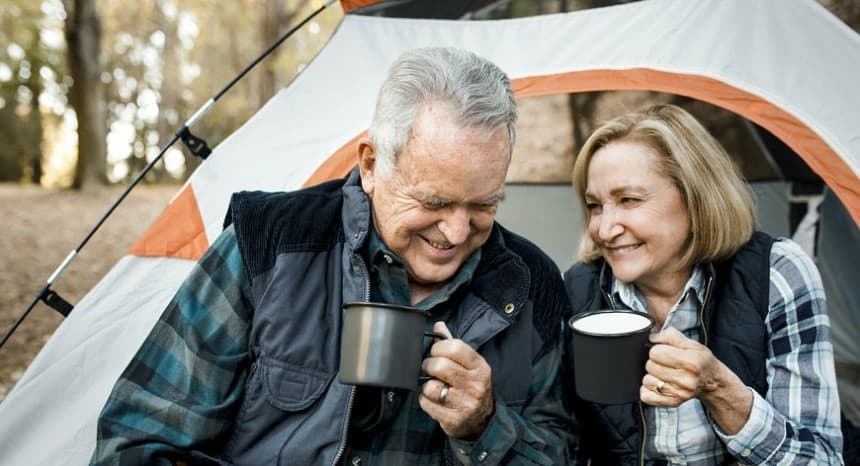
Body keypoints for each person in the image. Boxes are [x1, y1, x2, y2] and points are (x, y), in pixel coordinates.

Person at [91, 47, 576, 465]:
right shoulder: (269, 245)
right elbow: (137, 440)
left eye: (483, 205)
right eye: (433, 202)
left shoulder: (530, 284)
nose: (455, 231)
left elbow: (564, 453)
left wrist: (485, 426)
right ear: (371, 164)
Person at [562, 104, 844, 465]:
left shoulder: (776, 275)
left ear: (695, 197)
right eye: (594, 206)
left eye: (629, 200)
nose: (603, 228)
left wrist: (720, 390)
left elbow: (820, 459)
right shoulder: (577, 290)